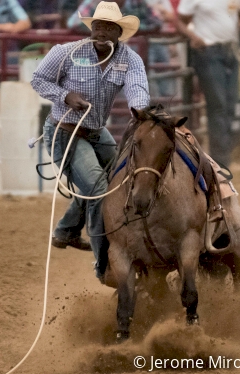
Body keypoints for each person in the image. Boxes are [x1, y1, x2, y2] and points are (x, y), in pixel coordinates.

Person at [31, 1, 150, 282]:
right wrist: (65, 96)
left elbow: (137, 89)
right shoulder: (67, 53)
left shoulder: (130, 60)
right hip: (65, 132)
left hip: (96, 131)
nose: (101, 32)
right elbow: (38, 79)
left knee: (123, 176)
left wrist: (140, 111)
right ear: (91, 28)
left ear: (119, 33)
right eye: (98, 26)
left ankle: (66, 229)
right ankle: (104, 265)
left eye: (109, 27)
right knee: (98, 188)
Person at [175, 0, 240, 169]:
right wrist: (194, 37)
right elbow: (180, 21)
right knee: (219, 106)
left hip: (230, 50)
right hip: (208, 51)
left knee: (229, 104)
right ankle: (221, 161)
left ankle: (223, 157)